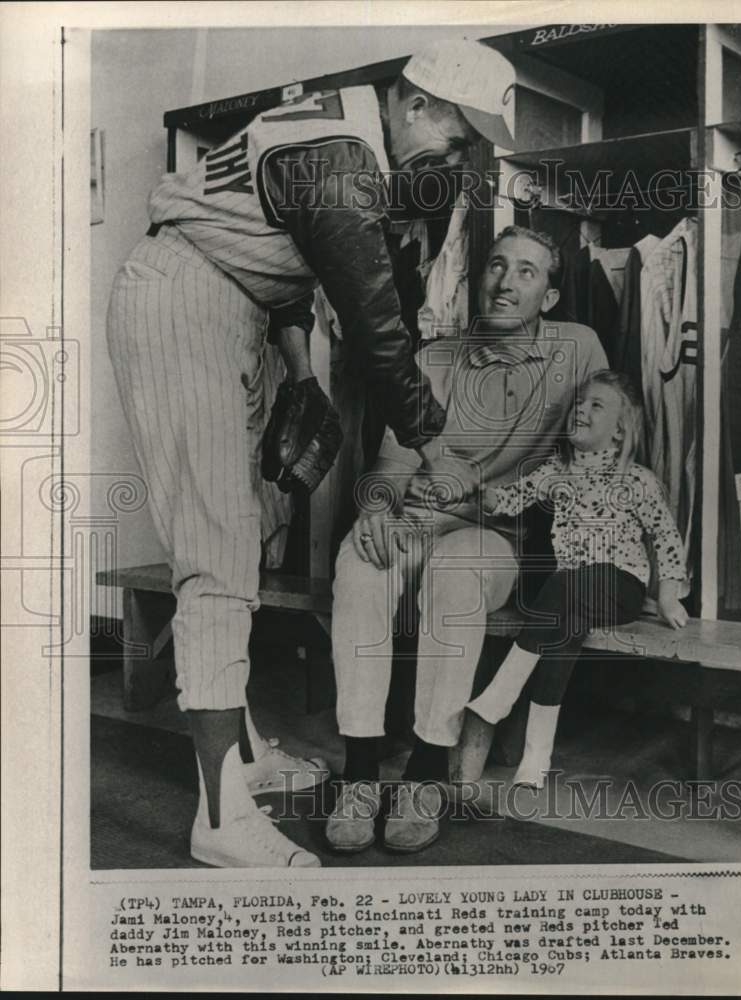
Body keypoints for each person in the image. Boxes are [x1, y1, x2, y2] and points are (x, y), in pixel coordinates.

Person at [106, 39, 517, 868]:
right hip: (185, 299)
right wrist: (433, 446)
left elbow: (279, 261)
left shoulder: (345, 130)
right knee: (217, 562)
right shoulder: (341, 161)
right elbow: (376, 330)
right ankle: (220, 821)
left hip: (229, 301)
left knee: (244, 537)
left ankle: (245, 763)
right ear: (414, 105)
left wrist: (296, 371)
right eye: (458, 133)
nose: (459, 152)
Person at [326, 226, 608, 854]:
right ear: (477, 278)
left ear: (551, 297)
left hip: (500, 529)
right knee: (360, 562)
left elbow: (599, 448)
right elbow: (392, 464)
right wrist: (375, 506)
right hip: (420, 515)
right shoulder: (433, 358)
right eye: (497, 266)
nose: (506, 282)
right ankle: (362, 773)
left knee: (455, 571)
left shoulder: (578, 349)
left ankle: (426, 773)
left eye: (527, 273)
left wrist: (491, 497)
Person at [465, 369, 689, 788]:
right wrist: (478, 486)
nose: (581, 410)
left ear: (619, 433)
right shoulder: (554, 472)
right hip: (570, 595)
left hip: (618, 586)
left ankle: (500, 694)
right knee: (562, 632)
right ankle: (537, 756)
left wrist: (669, 596)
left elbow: (666, 536)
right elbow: (509, 500)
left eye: (596, 406)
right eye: (579, 403)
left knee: (566, 586)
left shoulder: (636, 480)